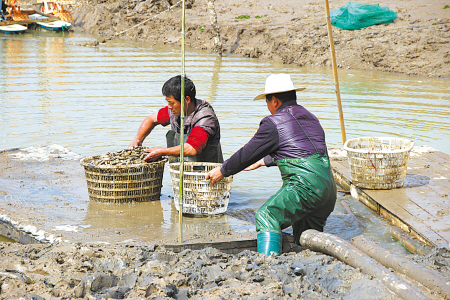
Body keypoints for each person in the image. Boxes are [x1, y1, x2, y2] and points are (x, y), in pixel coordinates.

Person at [206, 73, 337, 255]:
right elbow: (304, 153)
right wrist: (266, 161)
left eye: (267, 103)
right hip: (328, 190)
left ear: (274, 100)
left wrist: (223, 170)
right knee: (304, 237)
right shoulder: (311, 118)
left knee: (266, 215)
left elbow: (248, 152)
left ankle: (267, 265)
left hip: (304, 187)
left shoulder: (273, 122)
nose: (268, 108)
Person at [130, 75, 223, 163]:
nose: (169, 107)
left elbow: (192, 148)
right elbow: (151, 120)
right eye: (168, 102)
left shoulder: (205, 118)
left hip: (207, 174)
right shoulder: (176, 111)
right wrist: (137, 140)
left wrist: (162, 151)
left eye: (172, 103)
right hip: (180, 173)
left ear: (187, 100)